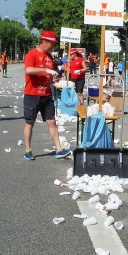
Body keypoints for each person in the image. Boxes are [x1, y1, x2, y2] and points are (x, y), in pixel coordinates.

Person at [23, 31, 72, 160]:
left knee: (52, 122)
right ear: (44, 42)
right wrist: (46, 70)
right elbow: (29, 70)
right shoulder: (32, 54)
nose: (53, 46)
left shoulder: (50, 57)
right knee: (30, 123)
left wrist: (54, 78)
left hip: (47, 94)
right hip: (32, 94)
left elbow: (50, 74)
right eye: (52, 44)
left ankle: (59, 149)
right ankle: (28, 150)